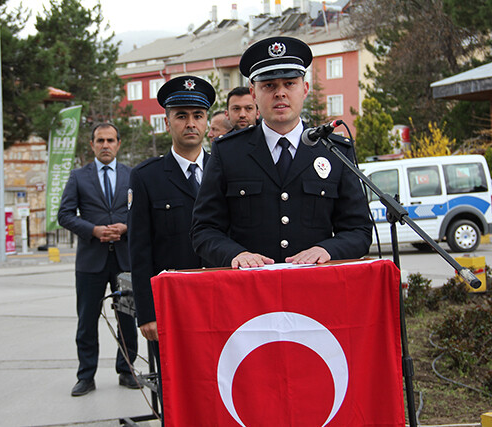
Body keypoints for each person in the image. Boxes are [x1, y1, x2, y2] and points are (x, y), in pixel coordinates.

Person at [191, 36, 372, 269]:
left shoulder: (334, 151)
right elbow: (204, 229)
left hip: (315, 284)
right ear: (254, 93)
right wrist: (236, 254)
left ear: (305, 89)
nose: (280, 93)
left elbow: (359, 230)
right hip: (250, 284)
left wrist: (327, 250)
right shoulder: (228, 152)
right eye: (269, 85)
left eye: (289, 84)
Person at [128, 75, 215, 418]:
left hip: (218, 297)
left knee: (221, 381)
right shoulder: (146, 176)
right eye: (181, 115)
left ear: (206, 121)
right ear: (167, 122)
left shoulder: (225, 170)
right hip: (172, 305)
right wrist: (147, 312)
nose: (190, 123)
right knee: (176, 388)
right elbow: (139, 250)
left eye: (197, 115)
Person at [58, 123, 139, 397]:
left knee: (127, 319)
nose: (105, 145)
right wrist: (92, 230)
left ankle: (127, 370)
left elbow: (141, 211)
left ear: (118, 144)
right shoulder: (78, 177)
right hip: (90, 261)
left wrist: (125, 226)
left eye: (110, 140)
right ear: (92, 144)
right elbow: (65, 215)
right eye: (100, 140)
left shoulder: (132, 175)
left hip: (125, 260)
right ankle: (85, 376)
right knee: (87, 321)